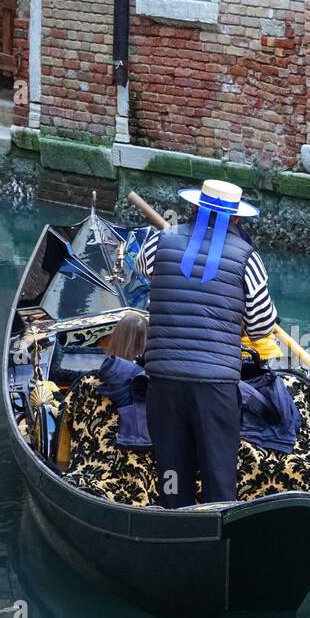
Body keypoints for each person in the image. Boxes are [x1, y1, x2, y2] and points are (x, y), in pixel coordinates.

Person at [134, 179, 278, 507]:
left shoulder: (161, 241)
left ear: (195, 208)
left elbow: (144, 271)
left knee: (171, 472)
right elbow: (260, 329)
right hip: (216, 389)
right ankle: (218, 533)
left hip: (164, 382)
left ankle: (172, 524)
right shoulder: (248, 259)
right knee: (219, 475)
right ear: (237, 220)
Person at [60, 312, 158, 505]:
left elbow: (63, 436)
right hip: (142, 489)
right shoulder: (155, 387)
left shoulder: (86, 383)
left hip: (86, 481)